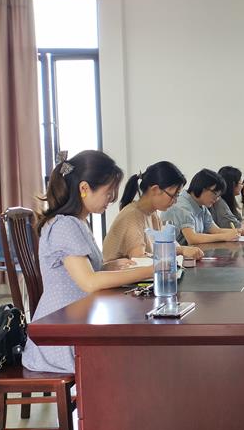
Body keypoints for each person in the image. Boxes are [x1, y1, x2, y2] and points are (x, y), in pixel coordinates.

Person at [21, 150, 155, 373]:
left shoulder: (77, 222)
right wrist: (152, 270)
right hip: (59, 337)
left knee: (135, 349)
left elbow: (79, 272)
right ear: (84, 188)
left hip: (71, 322)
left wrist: (108, 267)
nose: (111, 200)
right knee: (136, 354)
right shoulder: (65, 225)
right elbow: (89, 282)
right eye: (108, 193)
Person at [103, 160, 204, 262]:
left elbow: (160, 249)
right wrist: (180, 252)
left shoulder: (152, 214)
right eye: (173, 195)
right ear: (155, 189)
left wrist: (182, 250)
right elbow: (140, 260)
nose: (175, 201)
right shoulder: (132, 216)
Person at [160, 168, 240, 245]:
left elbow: (215, 230)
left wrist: (237, 232)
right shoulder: (182, 205)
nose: (216, 199)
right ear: (203, 188)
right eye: (215, 194)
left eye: (219, 196)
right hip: (172, 252)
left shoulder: (201, 206)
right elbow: (192, 239)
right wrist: (224, 236)